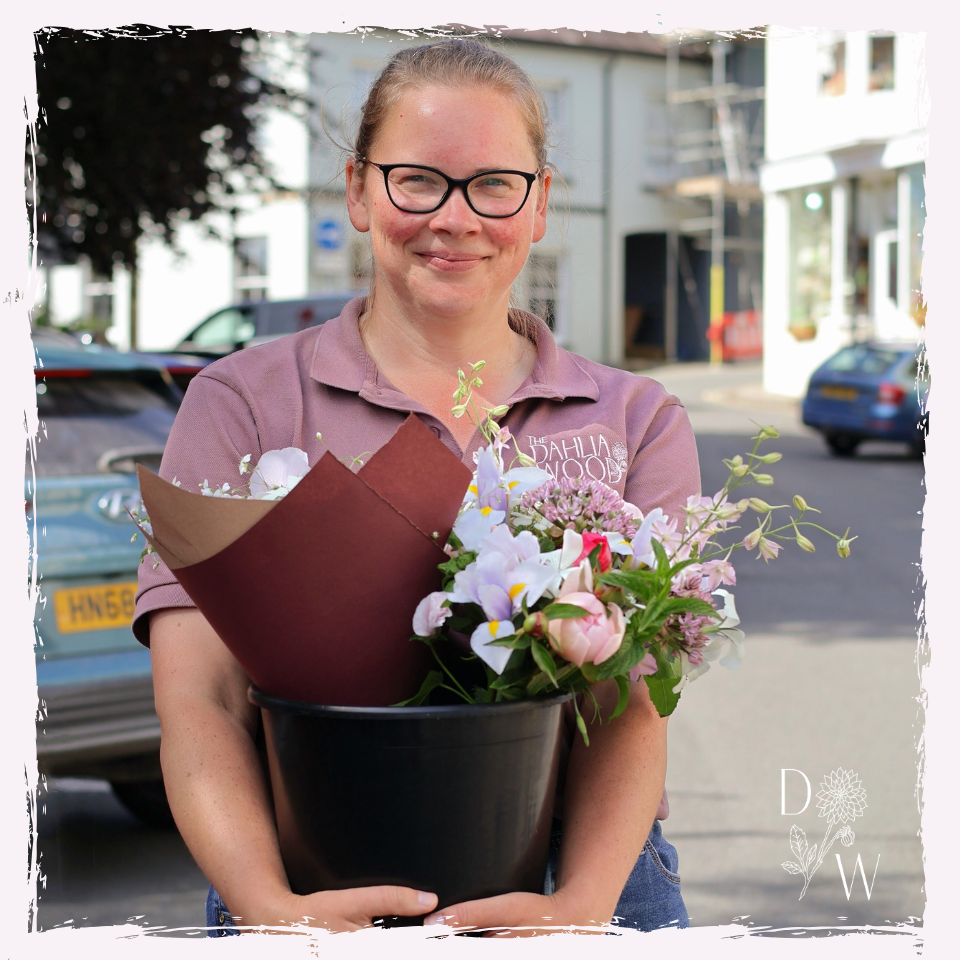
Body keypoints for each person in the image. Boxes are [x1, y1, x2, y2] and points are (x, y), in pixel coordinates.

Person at [135, 38, 700, 937]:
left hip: (585, 883)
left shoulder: (635, 418)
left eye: (494, 184)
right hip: (303, 880)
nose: (456, 217)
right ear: (359, 190)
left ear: (541, 201)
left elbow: (627, 704)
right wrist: (269, 910)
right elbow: (198, 699)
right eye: (417, 181)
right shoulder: (242, 403)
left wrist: (582, 911)